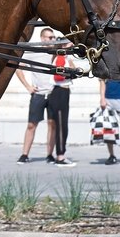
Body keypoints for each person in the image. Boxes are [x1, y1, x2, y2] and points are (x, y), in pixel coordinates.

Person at [15, 27, 57, 164]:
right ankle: (24, 154)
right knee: (31, 125)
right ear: (43, 38)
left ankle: (50, 155)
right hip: (38, 94)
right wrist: (28, 86)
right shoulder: (33, 53)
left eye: (54, 37)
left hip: (53, 93)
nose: (53, 40)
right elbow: (19, 68)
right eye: (50, 37)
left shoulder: (57, 52)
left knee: (52, 125)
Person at [48, 39, 76, 167]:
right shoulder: (60, 58)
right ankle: (60, 156)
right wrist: (71, 72)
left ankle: (61, 153)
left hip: (63, 92)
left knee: (63, 125)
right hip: (59, 92)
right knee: (61, 125)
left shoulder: (65, 58)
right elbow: (58, 76)